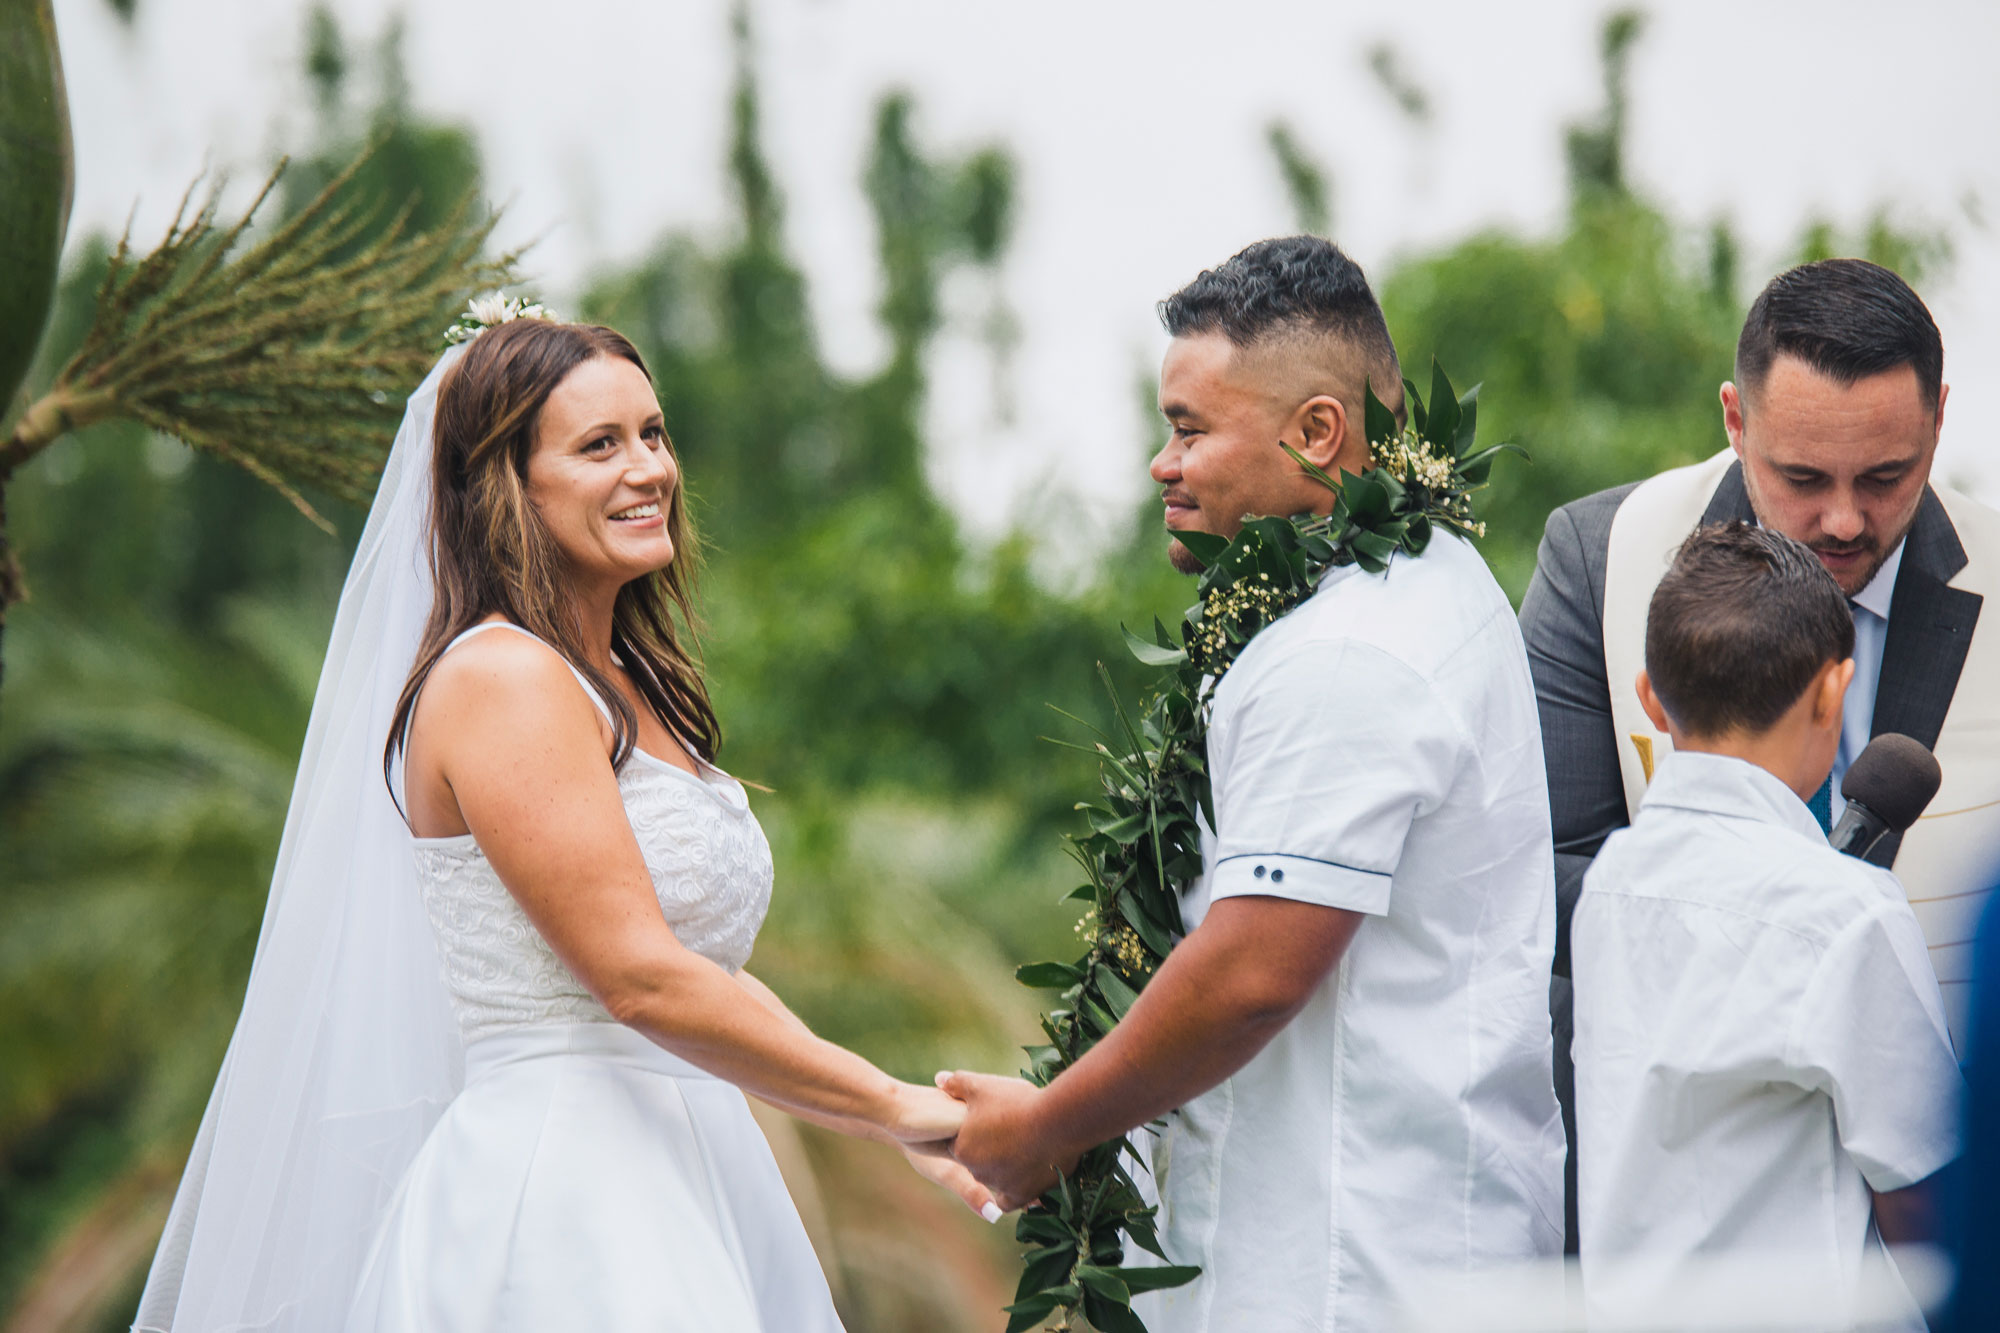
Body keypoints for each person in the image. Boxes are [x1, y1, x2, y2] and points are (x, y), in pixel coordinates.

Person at [134, 314, 991, 1333]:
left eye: (653, 433)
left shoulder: (628, 686)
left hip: (690, 1161)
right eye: (599, 445)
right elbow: (637, 977)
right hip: (567, 1188)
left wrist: (884, 1110)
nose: (648, 469)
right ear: (511, 487)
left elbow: (701, 966)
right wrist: (888, 1105)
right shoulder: (503, 678)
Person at [943, 236, 1565, 1331]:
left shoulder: (1348, 651)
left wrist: (1047, 1126)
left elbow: (1250, 972)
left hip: (1343, 1266)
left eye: (1189, 430)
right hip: (1395, 1243)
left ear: (1317, 432)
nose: (1161, 464)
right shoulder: (1423, 580)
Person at [1521, 257, 2000, 1247]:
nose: (1840, 519)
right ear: (1734, 420)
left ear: (1937, 420)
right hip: (1677, 1216)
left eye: (1884, 477)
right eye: (1798, 477)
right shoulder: (1601, 556)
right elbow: (1543, 877)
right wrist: (1798, 949)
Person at [1572, 521, 1961, 1330]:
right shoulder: (1846, 913)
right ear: (1833, 691)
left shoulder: (1611, 881)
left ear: (1649, 696)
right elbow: (1925, 1192)